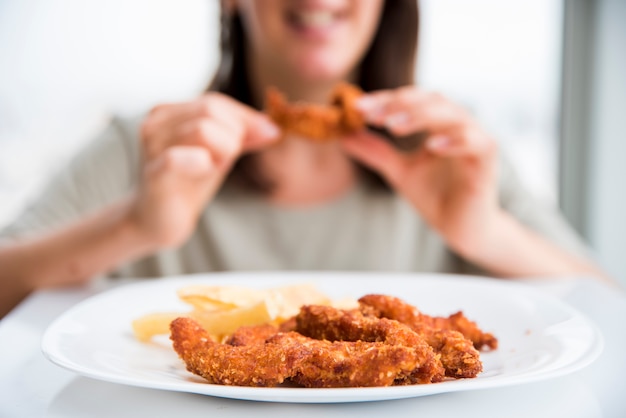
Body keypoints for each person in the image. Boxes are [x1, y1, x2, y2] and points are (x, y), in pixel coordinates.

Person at [0, 0, 609, 318]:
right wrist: (136, 224)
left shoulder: (451, 158)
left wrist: (484, 231)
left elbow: (607, 309)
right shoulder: (154, 147)